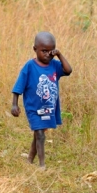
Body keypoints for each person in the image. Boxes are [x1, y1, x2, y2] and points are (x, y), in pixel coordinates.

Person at [11, 31, 72, 168]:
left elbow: (68, 71)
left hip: (49, 107)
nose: (47, 55)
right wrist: (14, 104)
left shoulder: (55, 65)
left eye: (50, 51)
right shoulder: (29, 66)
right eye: (44, 51)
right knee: (40, 134)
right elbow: (18, 86)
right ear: (35, 49)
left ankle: (29, 160)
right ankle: (42, 165)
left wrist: (60, 55)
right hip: (34, 108)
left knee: (38, 134)